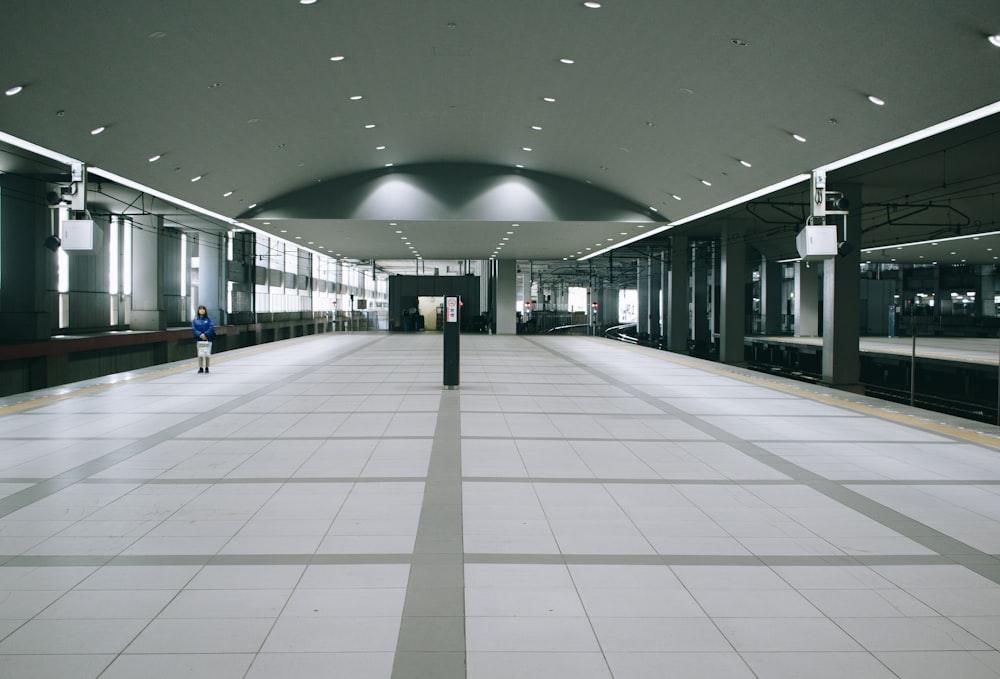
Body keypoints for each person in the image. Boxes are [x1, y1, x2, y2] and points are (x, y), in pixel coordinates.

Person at [192, 305, 215, 373]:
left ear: (205, 311)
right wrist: (199, 334)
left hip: (208, 339)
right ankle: (201, 367)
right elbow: (194, 329)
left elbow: (211, 327)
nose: (202, 310)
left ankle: (207, 367)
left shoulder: (208, 319)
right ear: (198, 311)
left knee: (207, 353)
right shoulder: (195, 320)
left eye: (203, 309)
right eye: (200, 309)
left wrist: (205, 334)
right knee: (200, 354)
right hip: (198, 339)